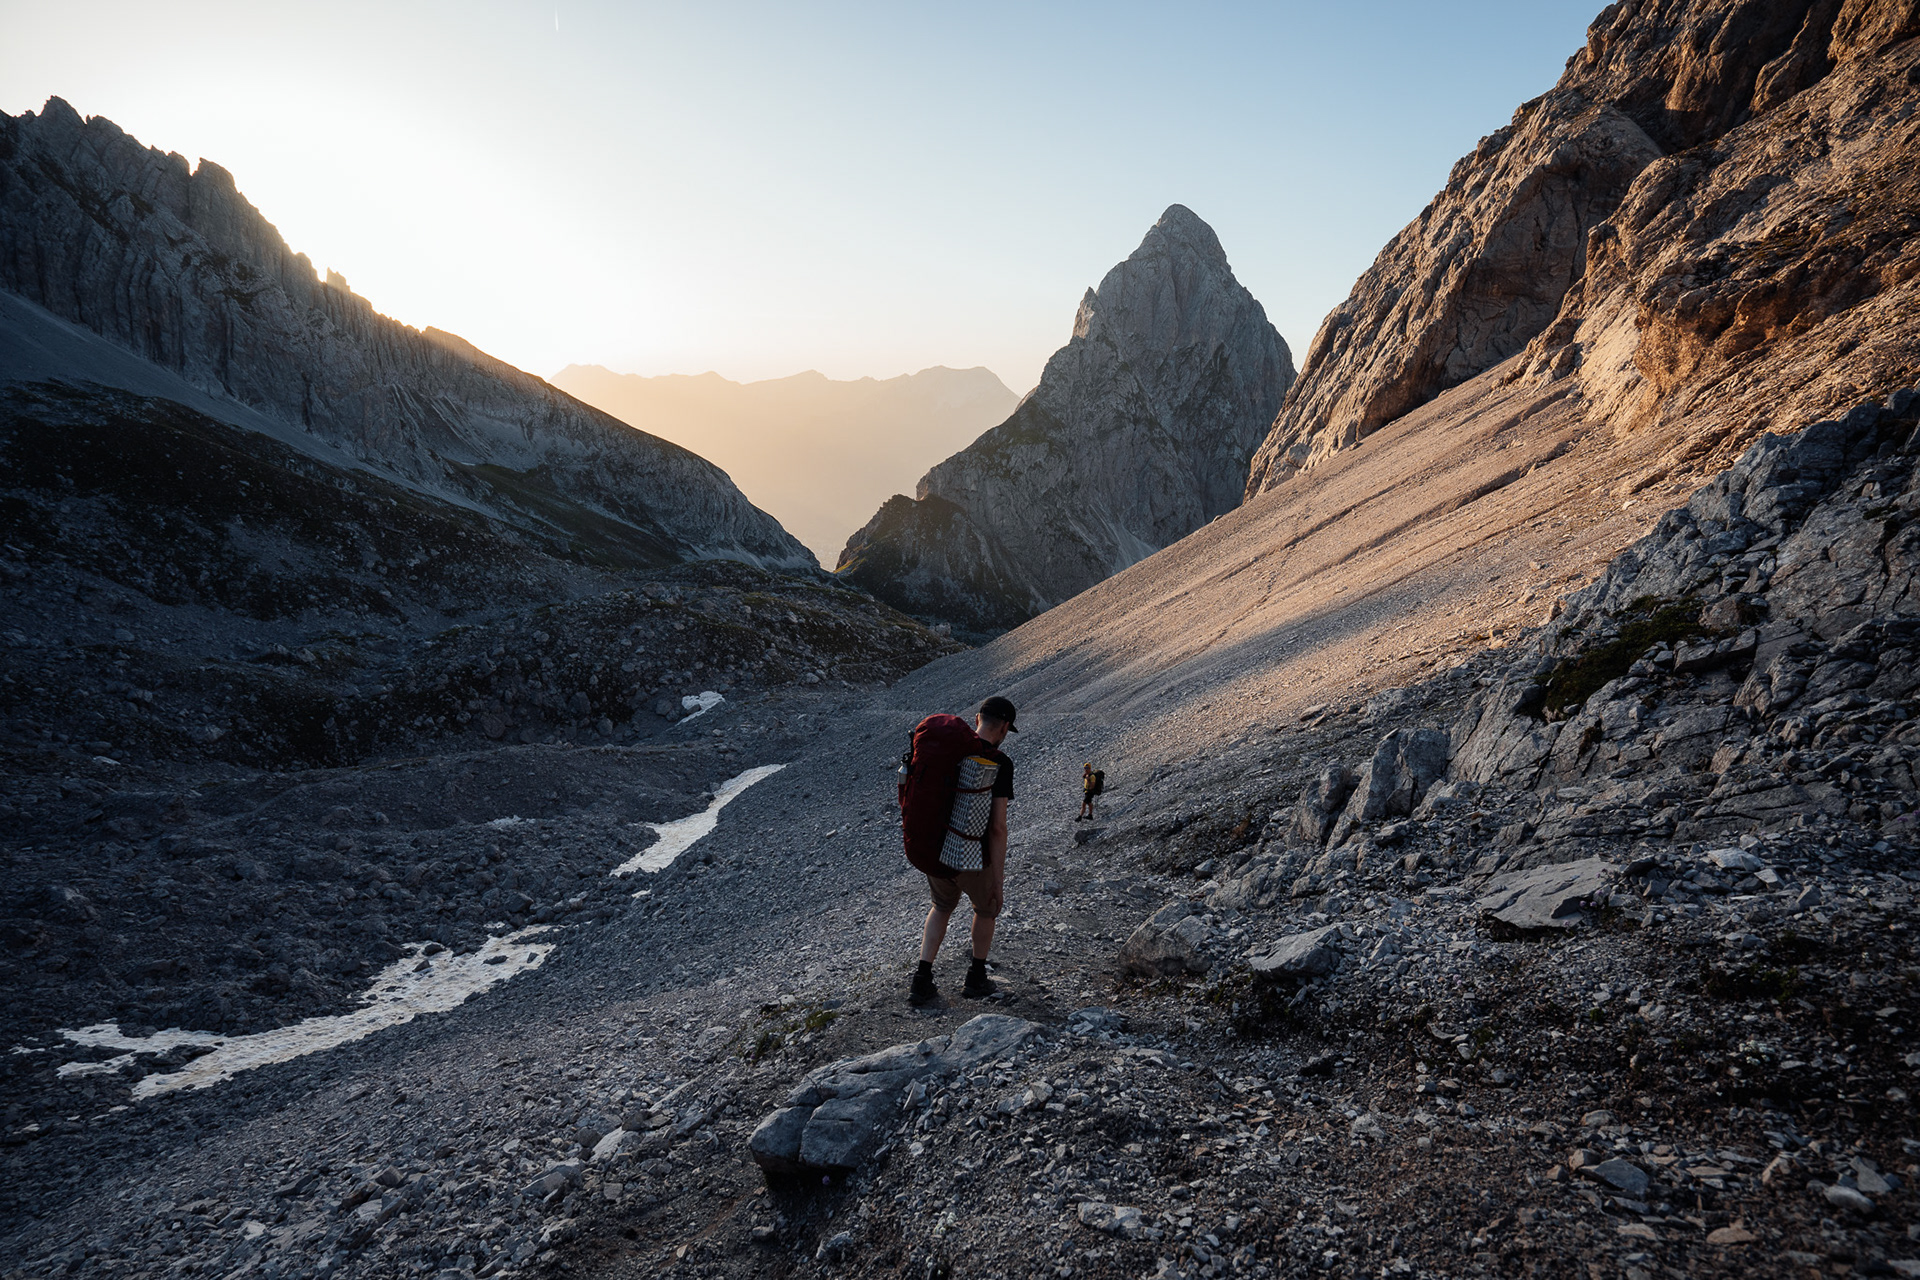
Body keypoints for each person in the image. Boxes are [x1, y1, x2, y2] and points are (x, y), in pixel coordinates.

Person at [911, 695, 1017, 1005]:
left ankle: (921, 980)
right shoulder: (999, 762)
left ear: (977, 719)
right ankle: (976, 978)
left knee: (941, 906)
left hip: (937, 847)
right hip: (972, 855)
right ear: (1005, 727)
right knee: (986, 909)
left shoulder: (948, 750)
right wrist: (997, 880)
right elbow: (997, 828)